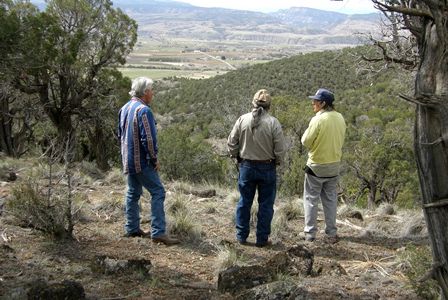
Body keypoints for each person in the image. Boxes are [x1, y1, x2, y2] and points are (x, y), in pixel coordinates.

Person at [118, 77, 179, 245]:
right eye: (151, 90)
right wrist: (154, 159)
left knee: (132, 193)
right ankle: (158, 232)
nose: (153, 93)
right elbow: (149, 140)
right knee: (158, 192)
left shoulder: (124, 108)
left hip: (128, 159)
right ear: (145, 92)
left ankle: (132, 228)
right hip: (142, 161)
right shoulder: (144, 111)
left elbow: (120, 135)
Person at [227, 89, 286, 247]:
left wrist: (235, 157)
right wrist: (278, 162)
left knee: (244, 201)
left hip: (246, 165)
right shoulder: (273, 123)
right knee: (266, 205)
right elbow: (280, 149)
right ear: (269, 106)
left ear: (253, 103)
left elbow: (231, 142)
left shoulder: (242, 119)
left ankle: (241, 236)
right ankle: (262, 239)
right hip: (267, 167)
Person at [301, 88, 346, 243]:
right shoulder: (340, 117)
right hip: (334, 165)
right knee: (330, 199)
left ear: (323, 103)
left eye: (316, 101)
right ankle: (331, 232)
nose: (313, 103)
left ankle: (310, 234)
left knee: (311, 199)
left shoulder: (318, 119)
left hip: (316, 166)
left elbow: (305, 141)